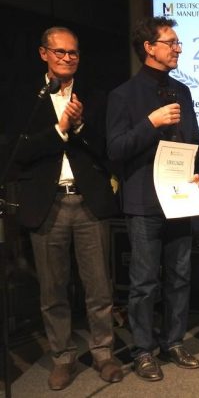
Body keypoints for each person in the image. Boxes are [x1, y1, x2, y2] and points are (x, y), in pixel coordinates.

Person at [13, 26, 123, 390]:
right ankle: (62, 358)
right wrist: (60, 129)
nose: (67, 58)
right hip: (47, 204)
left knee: (99, 288)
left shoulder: (96, 96)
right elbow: (19, 152)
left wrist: (79, 127)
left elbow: (108, 150)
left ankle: (104, 353)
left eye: (73, 52)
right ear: (43, 53)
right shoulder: (26, 97)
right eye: (59, 52)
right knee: (53, 291)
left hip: (88, 201)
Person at [106, 16, 199, 382]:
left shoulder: (183, 91)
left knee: (180, 276)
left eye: (177, 43)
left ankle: (173, 341)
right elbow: (115, 149)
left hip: (181, 196)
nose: (178, 48)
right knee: (144, 282)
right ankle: (143, 350)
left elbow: (191, 140)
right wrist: (151, 123)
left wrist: (195, 168)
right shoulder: (123, 95)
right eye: (171, 42)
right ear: (149, 47)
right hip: (144, 200)